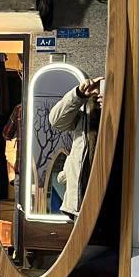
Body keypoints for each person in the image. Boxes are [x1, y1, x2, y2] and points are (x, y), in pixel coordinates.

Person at [48, 76, 102, 216]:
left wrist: (115, 103)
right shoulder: (88, 108)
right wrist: (78, 94)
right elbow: (56, 121)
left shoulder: (132, 108)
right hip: (82, 194)